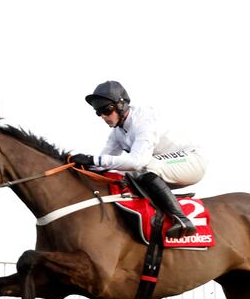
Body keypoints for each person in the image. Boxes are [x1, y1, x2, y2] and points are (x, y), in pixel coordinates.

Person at [70, 80, 207, 238]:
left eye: (106, 110)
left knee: (142, 168)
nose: (103, 116)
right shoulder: (117, 132)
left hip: (192, 161)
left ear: (121, 105)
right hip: (165, 166)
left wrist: (93, 160)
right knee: (124, 176)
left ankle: (182, 220)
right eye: (98, 112)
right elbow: (102, 164)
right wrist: (77, 165)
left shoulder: (144, 122)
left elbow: (137, 162)